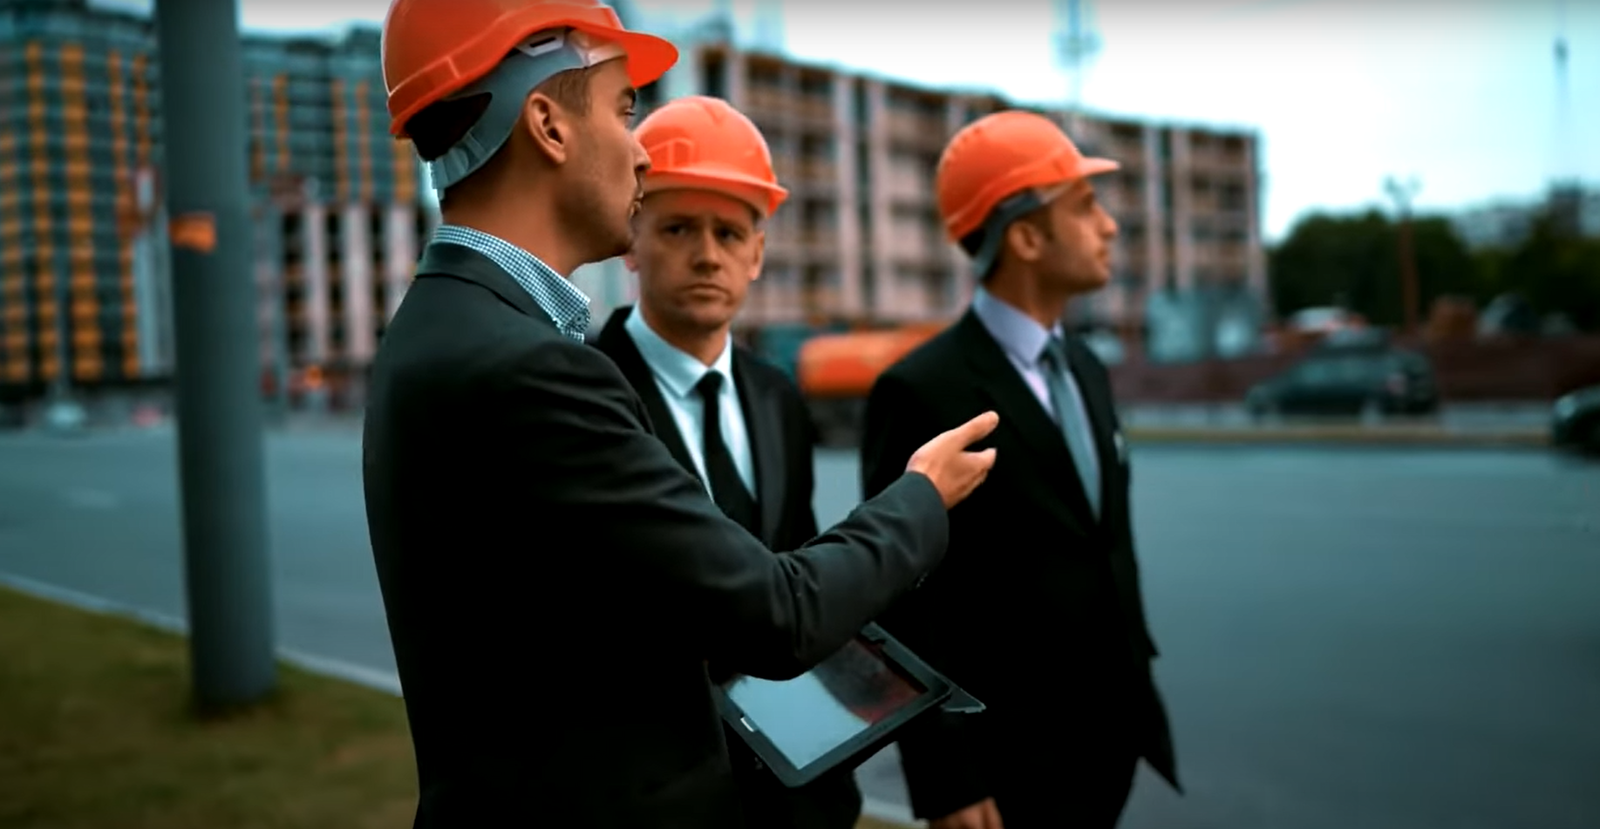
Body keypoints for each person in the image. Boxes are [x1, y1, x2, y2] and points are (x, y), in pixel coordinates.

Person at [362, 1, 1001, 827]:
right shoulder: (532, 366)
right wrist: (921, 494)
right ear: (549, 125)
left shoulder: (445, 325)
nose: (639, 150)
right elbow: (781, 612)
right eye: (625, 109)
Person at [860, 110, 1181, 829]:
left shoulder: (1089, 370)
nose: (1109, 227)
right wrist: (948, 774)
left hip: (1109, 739)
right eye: (1086, 206)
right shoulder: (922, 389)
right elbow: (904, 599)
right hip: (1005, 769)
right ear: (1028, 236)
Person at [588, 95, 865, 829]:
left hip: (791, 786)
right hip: (648, 794)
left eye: (729, 231)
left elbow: (801, 574)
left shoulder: (778, 397)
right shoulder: (583, 390)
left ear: (758, 252)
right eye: (678, 227)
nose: (708, 253)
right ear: (630, 238)